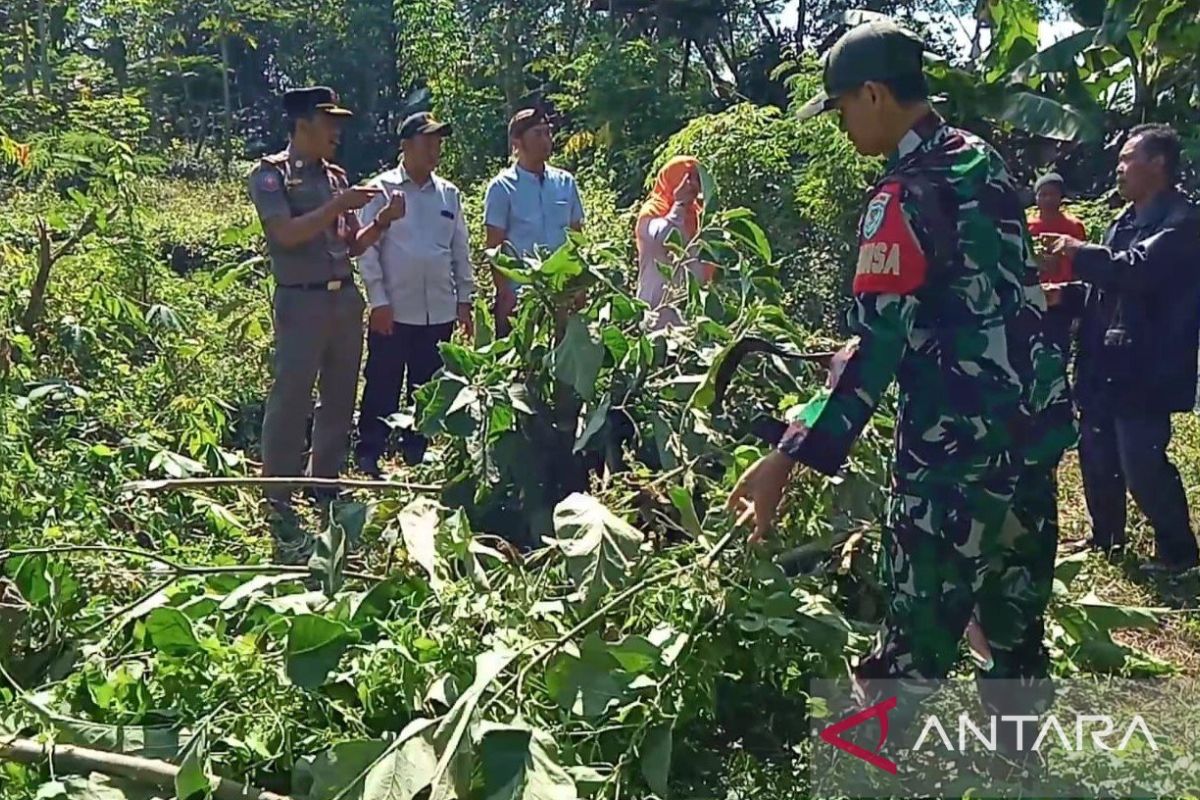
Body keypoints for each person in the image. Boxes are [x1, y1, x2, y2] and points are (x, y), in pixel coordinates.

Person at [726, 19, 1074, 734]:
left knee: (916, 637)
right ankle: (1019, 765)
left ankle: (872, 767)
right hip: (1030, 439)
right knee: (1015, 627)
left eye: (843, 106)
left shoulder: (903, 195)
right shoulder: (984, 162)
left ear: (875, 94)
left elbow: (879, 346)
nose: (842, 124)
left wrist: (785, 458)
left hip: (951, 459)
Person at [247, 86, 403, 556]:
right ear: (302, 125)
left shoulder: (335, 177)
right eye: (327, 121)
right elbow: (287, 233)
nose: (336, 131)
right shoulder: (272, 176)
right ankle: (278, 490)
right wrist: (338, 206)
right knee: (292, 393)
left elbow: (349, 244)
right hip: (301, 300)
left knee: (339, 394)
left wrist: (381, 222)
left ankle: (325, 480)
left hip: (342, 299)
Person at [1042, 124, 1200, 574]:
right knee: (1097, 454)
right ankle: (1105, 539)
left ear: (1158, 164)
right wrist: (1065, 294)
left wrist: (1077, 250)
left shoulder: (1183, 224)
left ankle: (1180, 555)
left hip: (1147, 364)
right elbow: (1104, 289)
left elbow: (1135, 271)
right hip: (1103, 358)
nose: (1120, 166)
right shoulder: (1123, 222)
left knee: (1141, 462)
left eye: (1129, 157)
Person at [354, 112, 474, 476]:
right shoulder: (381, 190)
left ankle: (416, 453)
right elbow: (367, 251)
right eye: (427, 141)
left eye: (438, 141)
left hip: (437, 308)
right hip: (394, 306)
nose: (434, 149)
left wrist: (464, 299)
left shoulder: (448, 194)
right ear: (405, 146)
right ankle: (370, 451)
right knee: (383, 380)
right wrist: (378, 300)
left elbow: (459, 249)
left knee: (427, 385)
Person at [483, 108, 585, 337]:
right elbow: (494, 247)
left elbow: (577, 238)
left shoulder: (565, 183)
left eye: (547, 133)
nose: (546, 141)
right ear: (517, 141)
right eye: (537, 134)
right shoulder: (502, 188)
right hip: (522, 298)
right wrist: (504, 293)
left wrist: (579, 288)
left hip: (561, 296)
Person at [634, 156, 716, 330]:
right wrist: (679, 204)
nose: (693, 185)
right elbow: (661, 237)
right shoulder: (652, 211)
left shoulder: (696, 219)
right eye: (688, 178)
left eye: (697, 178)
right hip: (655, 320)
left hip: (688, 326)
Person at [1027, 172, 1087, 388]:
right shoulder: (1028, 226)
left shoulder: (1073, 227)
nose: (1048, 199)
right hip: (1035, 295)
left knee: (1060, 348)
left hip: (1063, 298)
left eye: (1053, 194)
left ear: (1062, 197)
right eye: (1043, 194)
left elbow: (1082, 262)